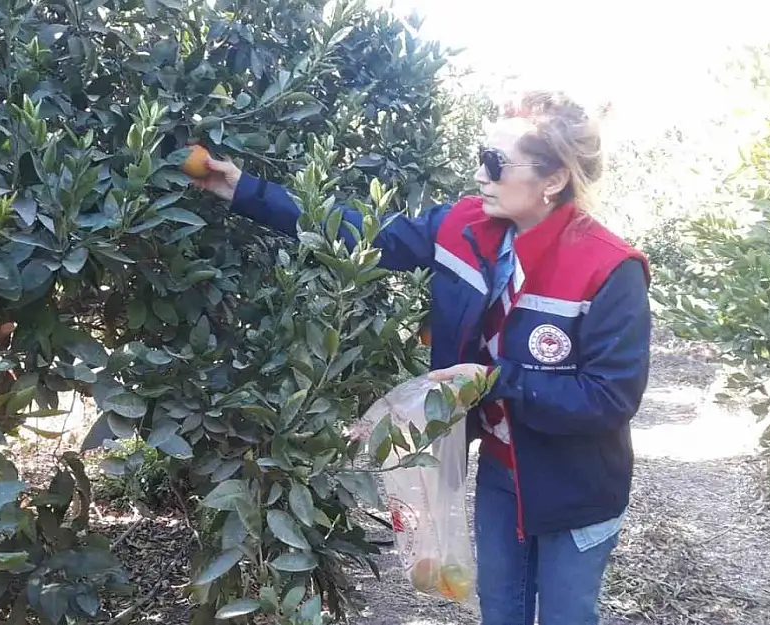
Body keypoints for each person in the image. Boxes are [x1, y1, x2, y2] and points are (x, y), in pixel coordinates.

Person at [191, 89, 652, 625]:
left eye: (495, 163)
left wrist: (495, 380)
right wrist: (245, 190)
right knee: (502, 613)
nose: (480, 175)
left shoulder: (608, 268)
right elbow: (361, 234)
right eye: (482, 156)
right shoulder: (463, 227)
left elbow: (610, 397)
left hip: (577, 483)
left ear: (552, 180)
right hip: (505, 474)